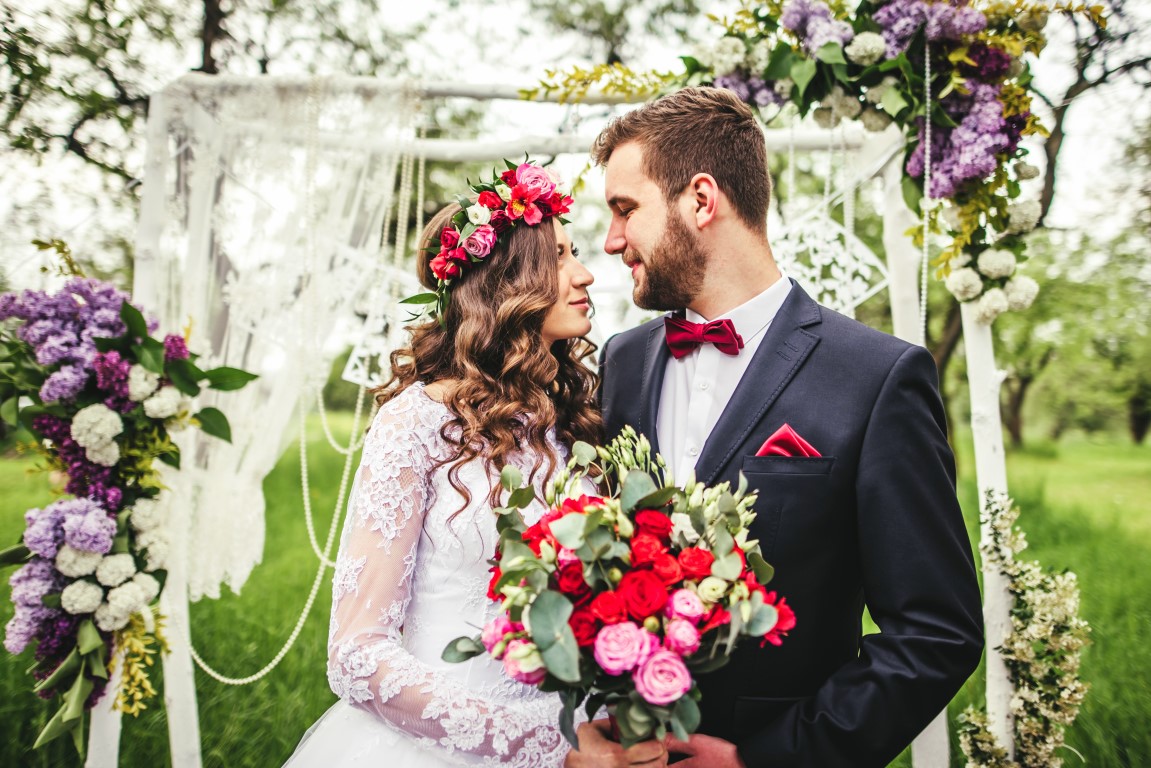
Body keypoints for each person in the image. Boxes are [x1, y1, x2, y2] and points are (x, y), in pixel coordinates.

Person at [569, 87, 984, 767]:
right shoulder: (623, 359)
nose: (611, 241)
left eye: (624, 210)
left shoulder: (877, 377)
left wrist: (762, 761)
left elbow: (934, 632)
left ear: (701, 200)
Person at [285, 162, 666, 768]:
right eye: (561, 258)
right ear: (508, 283)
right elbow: (356, 654)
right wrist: (544, 750)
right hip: (442, 745)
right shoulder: (417, 424)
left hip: (590, 733)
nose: (586, 274)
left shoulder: (581, 417)